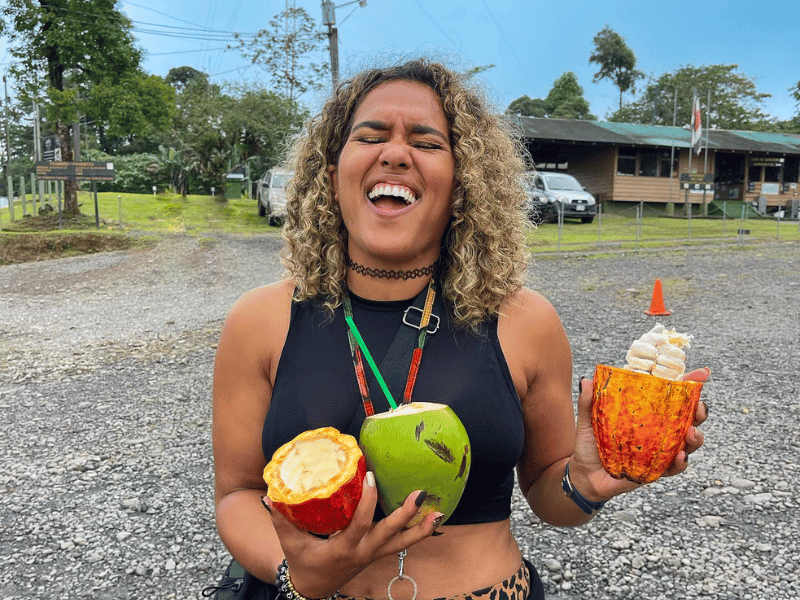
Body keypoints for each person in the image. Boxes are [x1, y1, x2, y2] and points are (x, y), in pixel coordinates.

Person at [211, 58, 709, 600]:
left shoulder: (526, 322)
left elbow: (549, 492)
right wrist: (298, 575)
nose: (396, 153)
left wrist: (585, 482)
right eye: (370, 136)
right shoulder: (261, 321)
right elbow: (238, 494)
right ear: (332, 177)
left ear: (463, 184)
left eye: (426, 143)